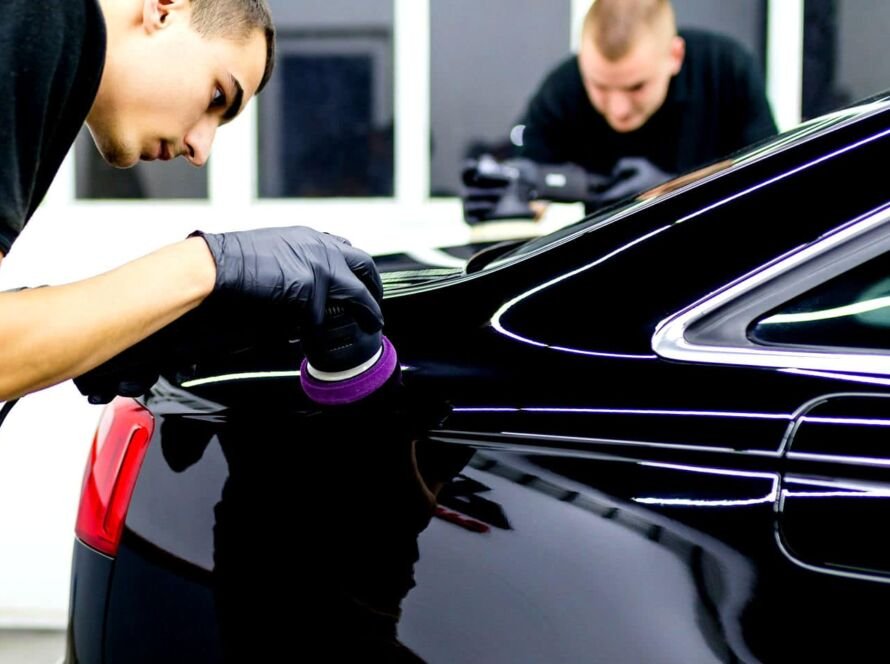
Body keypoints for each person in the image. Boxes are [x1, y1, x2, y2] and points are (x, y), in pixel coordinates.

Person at [0, 0, 383, 408]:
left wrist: (105, 331)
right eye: (218, 95)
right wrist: (211, 265)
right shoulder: (48, 16)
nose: (201, 150)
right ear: (164, 9)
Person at [514, 0, 778, 212]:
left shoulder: (727, 70)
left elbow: (769, 177)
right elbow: (530, 189)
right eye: (600, 86)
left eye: (636, 87)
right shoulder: (563, 87)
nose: (619, 110)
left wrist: (674, 187)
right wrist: (510, 191)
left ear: (675, 56)